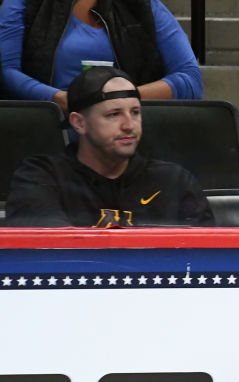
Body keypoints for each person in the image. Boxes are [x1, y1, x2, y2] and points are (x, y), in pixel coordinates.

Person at [5, 66, 214, 227]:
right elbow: (46, 255)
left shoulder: (173, 182)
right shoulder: (41, 178)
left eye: (135, 112)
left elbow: (205, 260)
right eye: (113, 115)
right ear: (79, 123)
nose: (129, 126)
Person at [0, 0, 202, 112]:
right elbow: (6, 72)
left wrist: (118, 99)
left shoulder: (143, 6)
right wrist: (63, 100)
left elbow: (190, 79)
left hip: (124, 134)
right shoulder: (25, 4)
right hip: (51, 127)